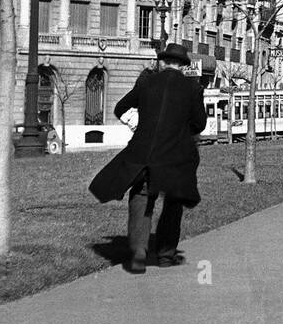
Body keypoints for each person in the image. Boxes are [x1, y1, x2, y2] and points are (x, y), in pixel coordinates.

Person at [89, 43, 208, 274]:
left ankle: (139, 253)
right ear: (183, 66)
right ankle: (165, 254)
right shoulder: (192, 88)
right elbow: (199, 123)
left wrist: (137, 124)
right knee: (173, 202)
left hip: (143, 154)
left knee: (142, 197)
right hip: (175, 156)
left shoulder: (146, 83)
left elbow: (120, 107)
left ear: (162, 63)